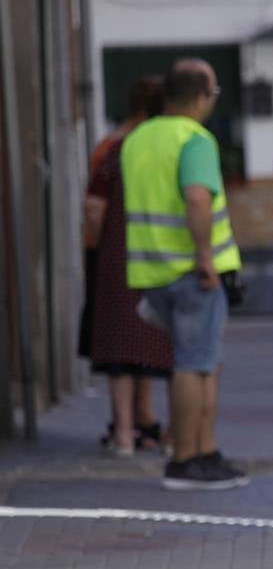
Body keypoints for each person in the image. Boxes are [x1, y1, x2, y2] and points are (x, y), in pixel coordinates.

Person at [123, 58, 247, 490]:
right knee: (194, 365)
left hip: (151, 270)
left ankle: (205, 451)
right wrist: (206, 259)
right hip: (192, 271)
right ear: (199, 97)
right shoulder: (194, 139)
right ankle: (186, 459)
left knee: (203, 360)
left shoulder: (138, 139)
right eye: (213, 94)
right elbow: (197, 200)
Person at [85, 76, 175, 457]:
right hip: (168, 256)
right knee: (168, 349)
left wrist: (96, 248)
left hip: (119, 258)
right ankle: (173, 435)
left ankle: (125, 433)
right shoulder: (176, 146)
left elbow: (94, 208)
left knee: (122, 348)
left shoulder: (116, 148)